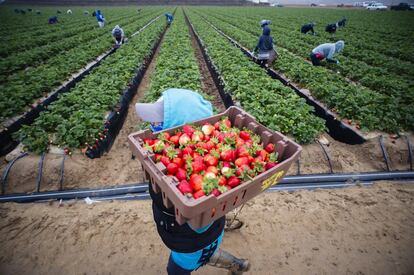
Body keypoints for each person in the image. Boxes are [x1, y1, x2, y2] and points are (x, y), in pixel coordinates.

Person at [135, 88, 250, 275]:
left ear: (185, 132)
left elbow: (203, 212)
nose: (152, 124)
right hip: (191, 229)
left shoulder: (196, 181)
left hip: (193, 239)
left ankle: (237, 265)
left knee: (181, 267)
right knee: (202, 250)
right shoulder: (171, 160)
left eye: (159, 122)